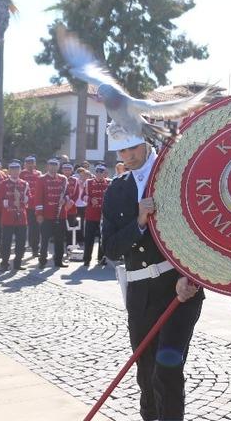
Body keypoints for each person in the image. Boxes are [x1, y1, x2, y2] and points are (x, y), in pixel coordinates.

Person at [102, 125, 203, 421]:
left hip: (177, 289)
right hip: (139, 293)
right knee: (145, 372)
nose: (127, 156)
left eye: (132, 148)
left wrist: (190, 276)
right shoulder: (117, 189)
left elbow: (200, 232)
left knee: (167, 369)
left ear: (146, 143)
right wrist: (138, 222)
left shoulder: (176, 177)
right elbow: (111, 248)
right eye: (121, 150)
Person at [35, 158, 70, 268]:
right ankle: (42, 261)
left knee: (59, 240)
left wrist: (65, 200)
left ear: (58, 167)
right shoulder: (41, 179)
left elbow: (67, 193)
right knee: (44, 240)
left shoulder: (63, 179)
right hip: (46, 215)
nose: (53, 167)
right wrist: (39, 214)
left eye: (55, 165)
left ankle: (58, 261)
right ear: (47, 166)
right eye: (51, 165)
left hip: (60, 214)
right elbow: (38, 198)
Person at [0, 160, 30, 271]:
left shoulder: (24, 184)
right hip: (8, 218)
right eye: (13, 170)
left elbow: (29, 198)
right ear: (9, 171)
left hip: (21, 218)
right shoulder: (3, 184)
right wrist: (12, 203)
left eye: (17, 170)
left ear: (20, 171)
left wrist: (22, 201)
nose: (15, 172)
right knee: (6, 242)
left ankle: (17, 263)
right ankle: (4, 263)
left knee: (21, 242)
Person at [82, 163, 109, 267]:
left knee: (103, 239)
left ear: (105, 173)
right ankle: (86, 259)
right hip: (91, 216)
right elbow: (83, 196)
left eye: (101, 171)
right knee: (89, 239)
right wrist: (90, 199)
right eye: (97, 171)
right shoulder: (88, 182)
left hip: (103, 217)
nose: (99, 173)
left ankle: (101, 259)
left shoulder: (109, 183)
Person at [20, 155, 43, 258]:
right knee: (23, 228)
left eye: (32, 163)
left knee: (36, 228)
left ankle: (35, 249)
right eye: (28, 163)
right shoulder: (21, 174)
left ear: (35, 164)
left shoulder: (39, 174)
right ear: (25, 164)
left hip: (35, 205)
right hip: (24, 205)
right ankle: (21, 249)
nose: (30, 165)